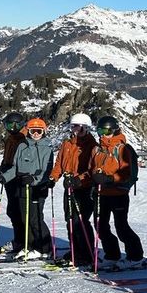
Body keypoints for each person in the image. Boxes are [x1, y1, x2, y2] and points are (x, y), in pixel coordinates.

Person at [90, 115, 146, 269]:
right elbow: (91, 169)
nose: (103, 134)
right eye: (100, 130)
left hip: (118, 193)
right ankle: (112, 255)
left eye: (106, 131)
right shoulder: (97, 149)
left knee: (121, 226)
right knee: (100, 226)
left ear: (114, 130)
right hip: (101, 194)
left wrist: (109, 179)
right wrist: (93, 178)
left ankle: (135, 256)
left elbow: (127, 173)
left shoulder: (122, 148)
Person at [0, 117, 55, 259]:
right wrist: (3, 177)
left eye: (39, 131)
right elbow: (15, 168)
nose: (35, 134)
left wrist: (34, 179)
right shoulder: (22, 146)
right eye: (33, 131)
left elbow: (47, 171)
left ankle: (44, 248)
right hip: (22, 185)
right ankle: (29, 245)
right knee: (24, 217)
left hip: (37, 187)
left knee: (35, 218)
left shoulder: (46, 148)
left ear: (44, 132)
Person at [49, 113, 98, 267]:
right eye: (72, 126)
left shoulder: (91, 145)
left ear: (85, 128)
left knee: (81, 221)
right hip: (69, 186)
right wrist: (53, 177)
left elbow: (92, 170)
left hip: (84, 188)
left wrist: (78, 179)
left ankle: (87, 253)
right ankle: (75, 250)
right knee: (70, 219)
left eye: (77, 127)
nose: (74, 130)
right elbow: (59, 163)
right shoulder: (67, 144)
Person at [0, 112, 28, 258]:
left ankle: (25, 242)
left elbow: (21, 163)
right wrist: (2, 168)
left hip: (19, 179)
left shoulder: (24, 140)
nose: (13, 128)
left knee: (20, 211)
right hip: (9, 179)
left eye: (16, 125)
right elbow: (8, 157)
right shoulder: (10, 139)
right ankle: (18, 240)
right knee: (12, 210)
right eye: (9, 125)